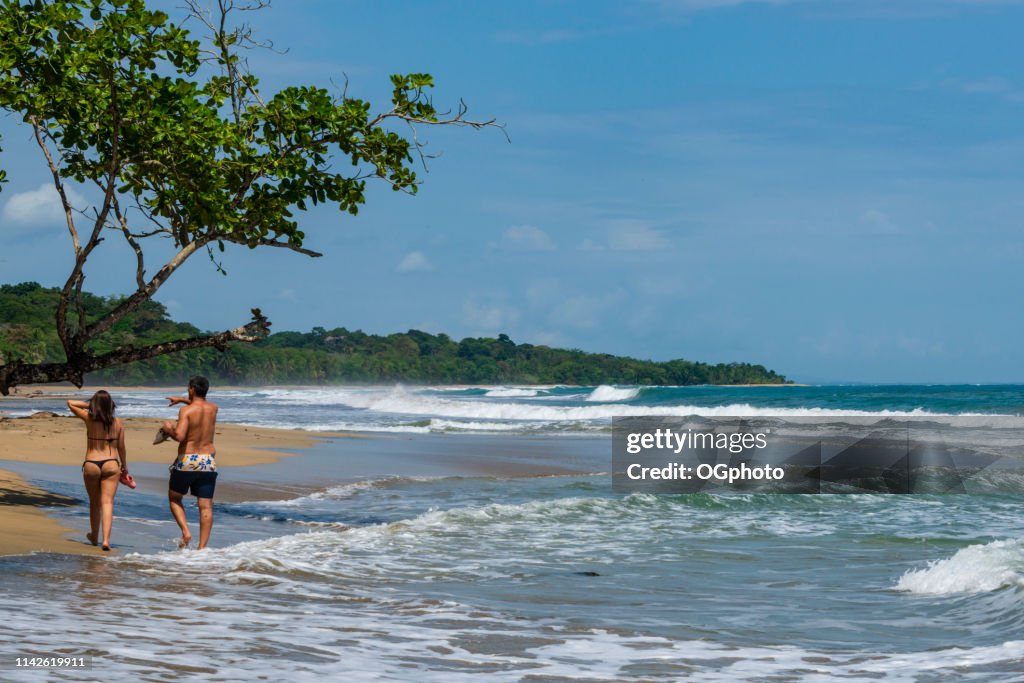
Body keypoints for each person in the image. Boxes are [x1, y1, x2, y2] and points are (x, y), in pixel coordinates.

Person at [162, 376, 219, 549]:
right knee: (205, 506)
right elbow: (200, 406)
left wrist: (168, 429)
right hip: (207, 461)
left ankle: (186, 532)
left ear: (192, 389)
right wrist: (182, 400)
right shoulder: (213, 409)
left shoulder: (186, 412)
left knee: (174, 498)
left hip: (188, 459)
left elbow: (179, 436)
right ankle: (202, 548)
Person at [67, 391, 127, 551]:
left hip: (92, 463)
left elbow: (70, 403)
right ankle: (106, 540)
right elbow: (121, 447)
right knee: (107, 502)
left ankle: (94, 535)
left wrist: (92, 406)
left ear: (95, 405)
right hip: (111, 463)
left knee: (94, 502)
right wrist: (125, 467)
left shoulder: (89, 419)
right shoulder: (118, 423)